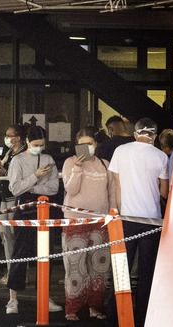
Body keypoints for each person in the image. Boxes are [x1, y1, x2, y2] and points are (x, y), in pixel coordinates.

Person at [108, 118, 169, 327]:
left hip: (126, 217)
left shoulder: (121, 151)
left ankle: (116, 314)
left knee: (121, 266)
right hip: (152, 219)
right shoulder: (161, 156)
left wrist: (120, 210)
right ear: (154, 135)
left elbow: (117, 185)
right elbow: (164, 191)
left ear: (135, 134)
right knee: (146, 270)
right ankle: (144, 316)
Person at [61, 127, 116, 321]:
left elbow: (112, 193)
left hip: (100, 222)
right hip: (75, 220)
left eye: (89, 144)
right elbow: (71, 189)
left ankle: (95, 306)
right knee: (75, 265)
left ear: (96, 144)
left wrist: (113, 213)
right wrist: (78, 167)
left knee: (99, 267)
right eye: (82, 145)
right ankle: (72, 308)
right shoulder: (69, 163)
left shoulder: (104, 164)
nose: (86, 148)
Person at [5, 125, 61, 315]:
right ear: (28, 142)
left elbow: (54, 188)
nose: (39, 147)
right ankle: (12, 298)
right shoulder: (18, 160)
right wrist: (35, 177)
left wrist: (32, 187)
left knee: (45, 254)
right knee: (20, 253)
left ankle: (44, 296)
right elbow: (15, 188)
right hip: (25, 209)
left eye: (42, 144)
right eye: (36, 144)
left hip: (45, 208)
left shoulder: (48, 159)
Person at [0, 123, 28, 285]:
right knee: (4, 235)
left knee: (16, 236)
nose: (7, 138)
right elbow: (5, 173)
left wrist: (5, 172)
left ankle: (19, 274)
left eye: (10, 135)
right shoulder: (8, 152)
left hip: (16, 198)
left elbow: (19, 176)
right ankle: (10, 271)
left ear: (19, 138)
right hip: (4, 198)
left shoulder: (24, 153)